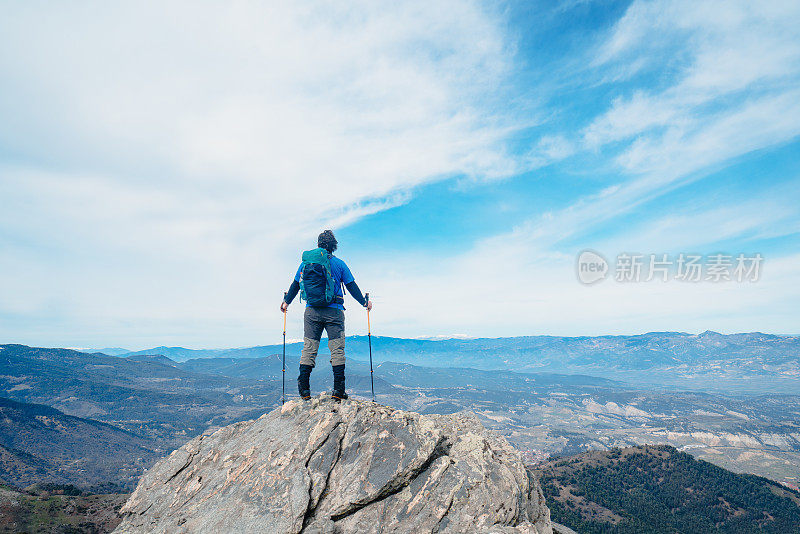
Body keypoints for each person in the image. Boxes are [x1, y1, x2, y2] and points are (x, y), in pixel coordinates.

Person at [281, 230, 372, 400]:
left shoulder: (306, 264)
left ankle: (304, 390)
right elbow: (351, 286)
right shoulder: (339, 264)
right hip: (334, 312)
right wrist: (364, 302)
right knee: (337, 350)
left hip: (311, 312)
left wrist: (286, 302)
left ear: (318, 245)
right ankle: (338, 391)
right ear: (334, 246)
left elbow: (295, 284)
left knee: (309, 348)